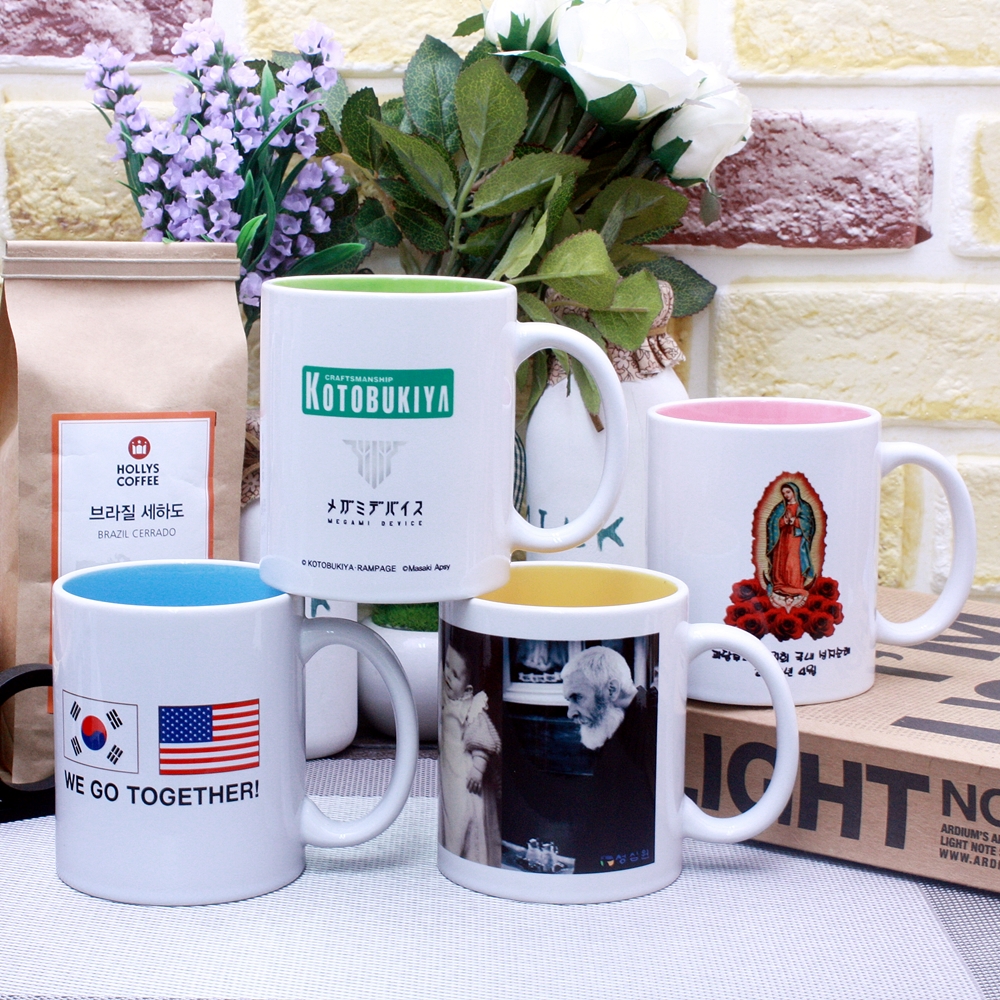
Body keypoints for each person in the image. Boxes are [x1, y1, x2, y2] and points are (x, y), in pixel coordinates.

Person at [559, 646, 657, 873]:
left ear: (611, 689)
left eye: (577, 698)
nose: (570, 713)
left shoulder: (652, 722)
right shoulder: (620, 721)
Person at [439, 643, 501, 865]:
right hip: (450, 776)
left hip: (467, 778)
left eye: (455, 675)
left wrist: (477, 768)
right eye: (446, 666)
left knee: (468, 818)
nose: (447, 675)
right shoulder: (447, 698)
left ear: (467, 690)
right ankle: (453, 854)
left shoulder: (471, 707)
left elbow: (483, 740)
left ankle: (473, 860)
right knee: (451, 818)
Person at [765, 481, 816, 607]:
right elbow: (771, 523)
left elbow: (809, 524)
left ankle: (795, 586)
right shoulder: (780, 507)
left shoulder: (804, 507)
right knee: (781, 561)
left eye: (788, 492)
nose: (786, 495)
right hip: (782, 540)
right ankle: (780, 585)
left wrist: (796, 521)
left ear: (794, 492)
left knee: (793, 562)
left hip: (796, 540)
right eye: (784, 493)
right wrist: (783, 521)